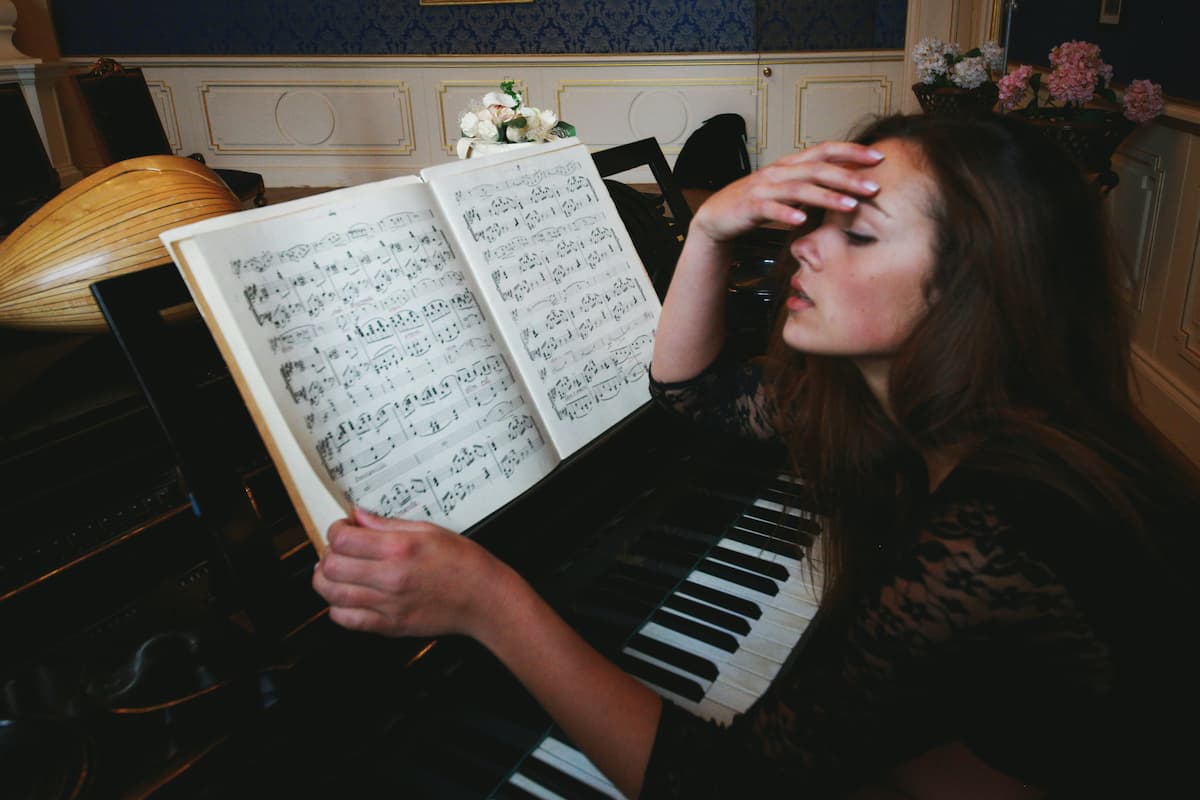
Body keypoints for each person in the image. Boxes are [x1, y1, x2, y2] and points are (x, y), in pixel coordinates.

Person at [312, 112, 1196, 798]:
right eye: (820, 218)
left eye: (858, 235)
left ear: (980, 285)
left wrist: (490, 599)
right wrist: (707, 233)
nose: (803, 245)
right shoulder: (925, 408)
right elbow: (690, 394)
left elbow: (720, 792)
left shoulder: (996, 531)